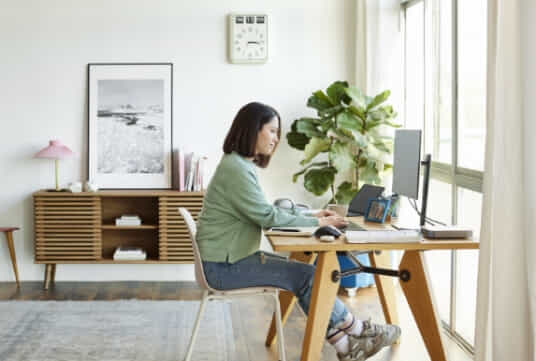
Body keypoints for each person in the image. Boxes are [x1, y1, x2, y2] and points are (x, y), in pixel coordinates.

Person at [196, 102, 401, 361]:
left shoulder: (238, 165)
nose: (276, 139)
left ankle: (346, 346)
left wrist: (312, 215)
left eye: (277, 132)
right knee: (305, 276)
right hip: (222, 268)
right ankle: (357, 329)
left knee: (305, 276)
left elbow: (263, 210)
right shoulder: (236, 169)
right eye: (271, 131)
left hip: (228, 260)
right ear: (252, 130)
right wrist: (318, 224)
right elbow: (267, 217)